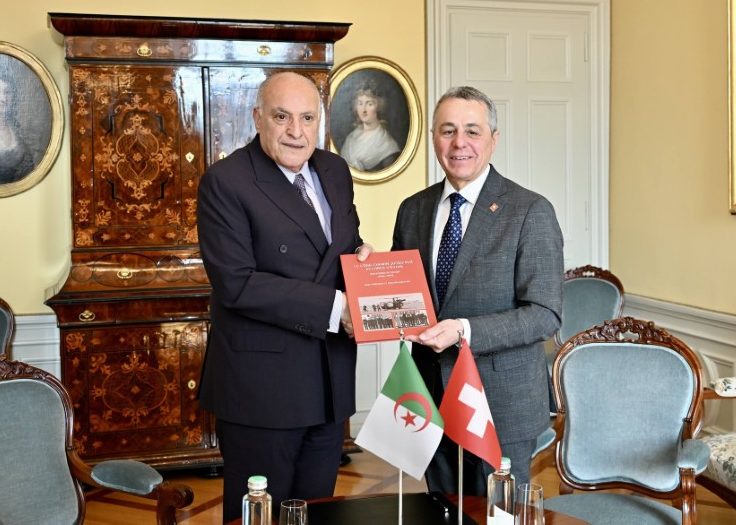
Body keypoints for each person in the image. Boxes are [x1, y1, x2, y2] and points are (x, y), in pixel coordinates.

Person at [196, 71, 372, 523]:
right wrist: (337, 307)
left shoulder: (334, 170)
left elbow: (336, 246)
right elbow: (237, 282)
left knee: (316, 512)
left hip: (329, 378)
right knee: (261, 515)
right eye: (282, 117)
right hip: (263, 387)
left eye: (307, 118)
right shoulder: (226, 181)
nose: (296, 131)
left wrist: (361, 259)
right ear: (258, 118)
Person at [391, 85, 564, 495]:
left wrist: (464, 330)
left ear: (493, 139)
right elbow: (403, 294)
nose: (459, 143)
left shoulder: (530, 210)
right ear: (434, 138)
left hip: (500, 403)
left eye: (472, 131)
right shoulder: (413, 209)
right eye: (447, 130)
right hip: (428, 396)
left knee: (499, 515)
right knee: (442, 509)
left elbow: (545, 314)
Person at [338, 83, 401, 172]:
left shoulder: (387, 145)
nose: (363, 110)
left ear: (378, 107)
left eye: (369, 104)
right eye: (360, 103)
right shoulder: (351, 137)